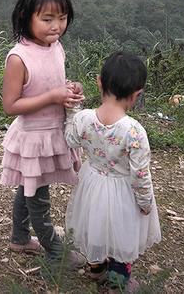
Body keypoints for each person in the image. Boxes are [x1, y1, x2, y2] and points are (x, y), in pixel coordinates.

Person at [0, 0, 85, 264]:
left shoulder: (56, 47)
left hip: (52, 132)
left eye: (62, 18)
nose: (56, 26)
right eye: (47, 19)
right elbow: (11, 105)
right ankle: (55, 251)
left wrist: (68, 89)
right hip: (34, 137)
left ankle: (20, 238)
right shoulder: (19, 58)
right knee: (39, 195)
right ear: (26, 17)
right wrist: (52, 96)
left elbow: (53, 83)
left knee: (29, 186)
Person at [64, 51, 161, 292]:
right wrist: (145, 202)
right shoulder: (134, 131)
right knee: (122, 233)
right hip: (122, 191)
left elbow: (70, 139)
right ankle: (118, 282)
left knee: (93, 225)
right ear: (137, 94)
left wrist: (71, 111)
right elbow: (140, 175)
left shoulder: (84, 119)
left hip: (92, 182)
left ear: (99, 82)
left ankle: (96, 270)